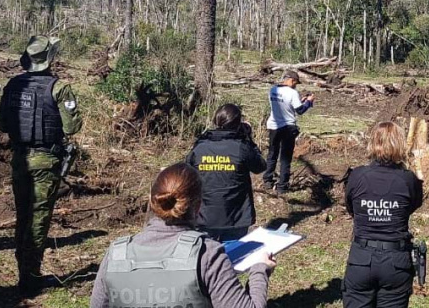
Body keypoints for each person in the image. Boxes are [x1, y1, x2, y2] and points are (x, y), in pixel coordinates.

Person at [90, 162, 276, 308]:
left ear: (151, 200)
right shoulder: (208, 255)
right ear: (198, 206)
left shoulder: (115, 254)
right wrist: (260, 269)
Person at [0, 35, 82, 296]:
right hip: (45, 162)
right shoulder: (59, 88)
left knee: (23, 216)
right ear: (49, 59)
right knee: (39, 218)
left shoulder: (12, 86)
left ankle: (23, 269)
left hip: (20, 160)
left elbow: (1, 124)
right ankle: (30, 277)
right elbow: (72, 127)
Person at [343, 122, 423, 308]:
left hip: (362, 258)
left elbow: (351, 208)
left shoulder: (357, 176)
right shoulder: (408, 178)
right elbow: (413, 205)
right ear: (400, 144)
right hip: (396, 261)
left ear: (373, 143)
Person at [186, 104, 267, 242]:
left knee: (205, 258)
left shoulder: (200, 147)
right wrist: (249, 141)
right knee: (234, 259)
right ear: (237, 123)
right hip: (235, 217)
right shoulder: (242, 147)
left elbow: (186, 173)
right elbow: (260, 166)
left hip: (204, 216)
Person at [263, 70, 314, 192]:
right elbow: (300, 111)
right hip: (288, 127)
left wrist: (300, 101)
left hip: (273, 125)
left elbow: (284, 104)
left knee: (272, 154)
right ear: (292, 80)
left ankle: (267, 180)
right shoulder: (292, 93)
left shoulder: (273, 90)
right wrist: (309, 102)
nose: (296, 85)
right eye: (296, 83)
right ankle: (282, 186)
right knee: (285, 158)